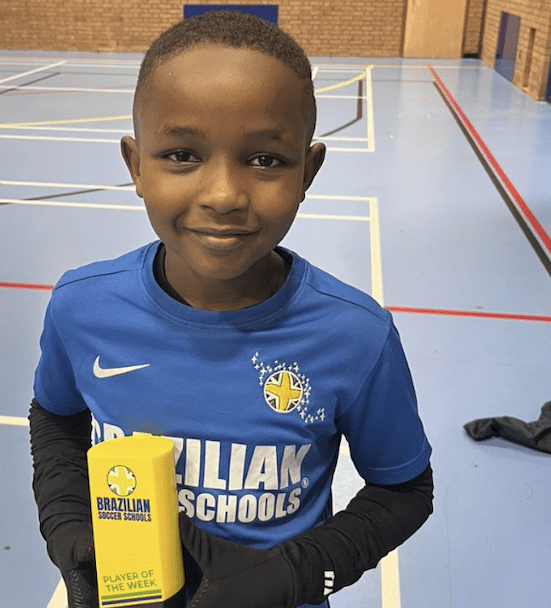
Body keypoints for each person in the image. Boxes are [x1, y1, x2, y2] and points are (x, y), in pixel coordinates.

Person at [29, 10, 433, 608]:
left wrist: (299, 573)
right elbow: (55, 417)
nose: (223, 195)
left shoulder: (356, 336)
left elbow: (404, 489)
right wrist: (65, 521)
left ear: (308, 171)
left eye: (265, 160)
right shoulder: (81, 306)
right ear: (135, 166)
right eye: (181, 154)